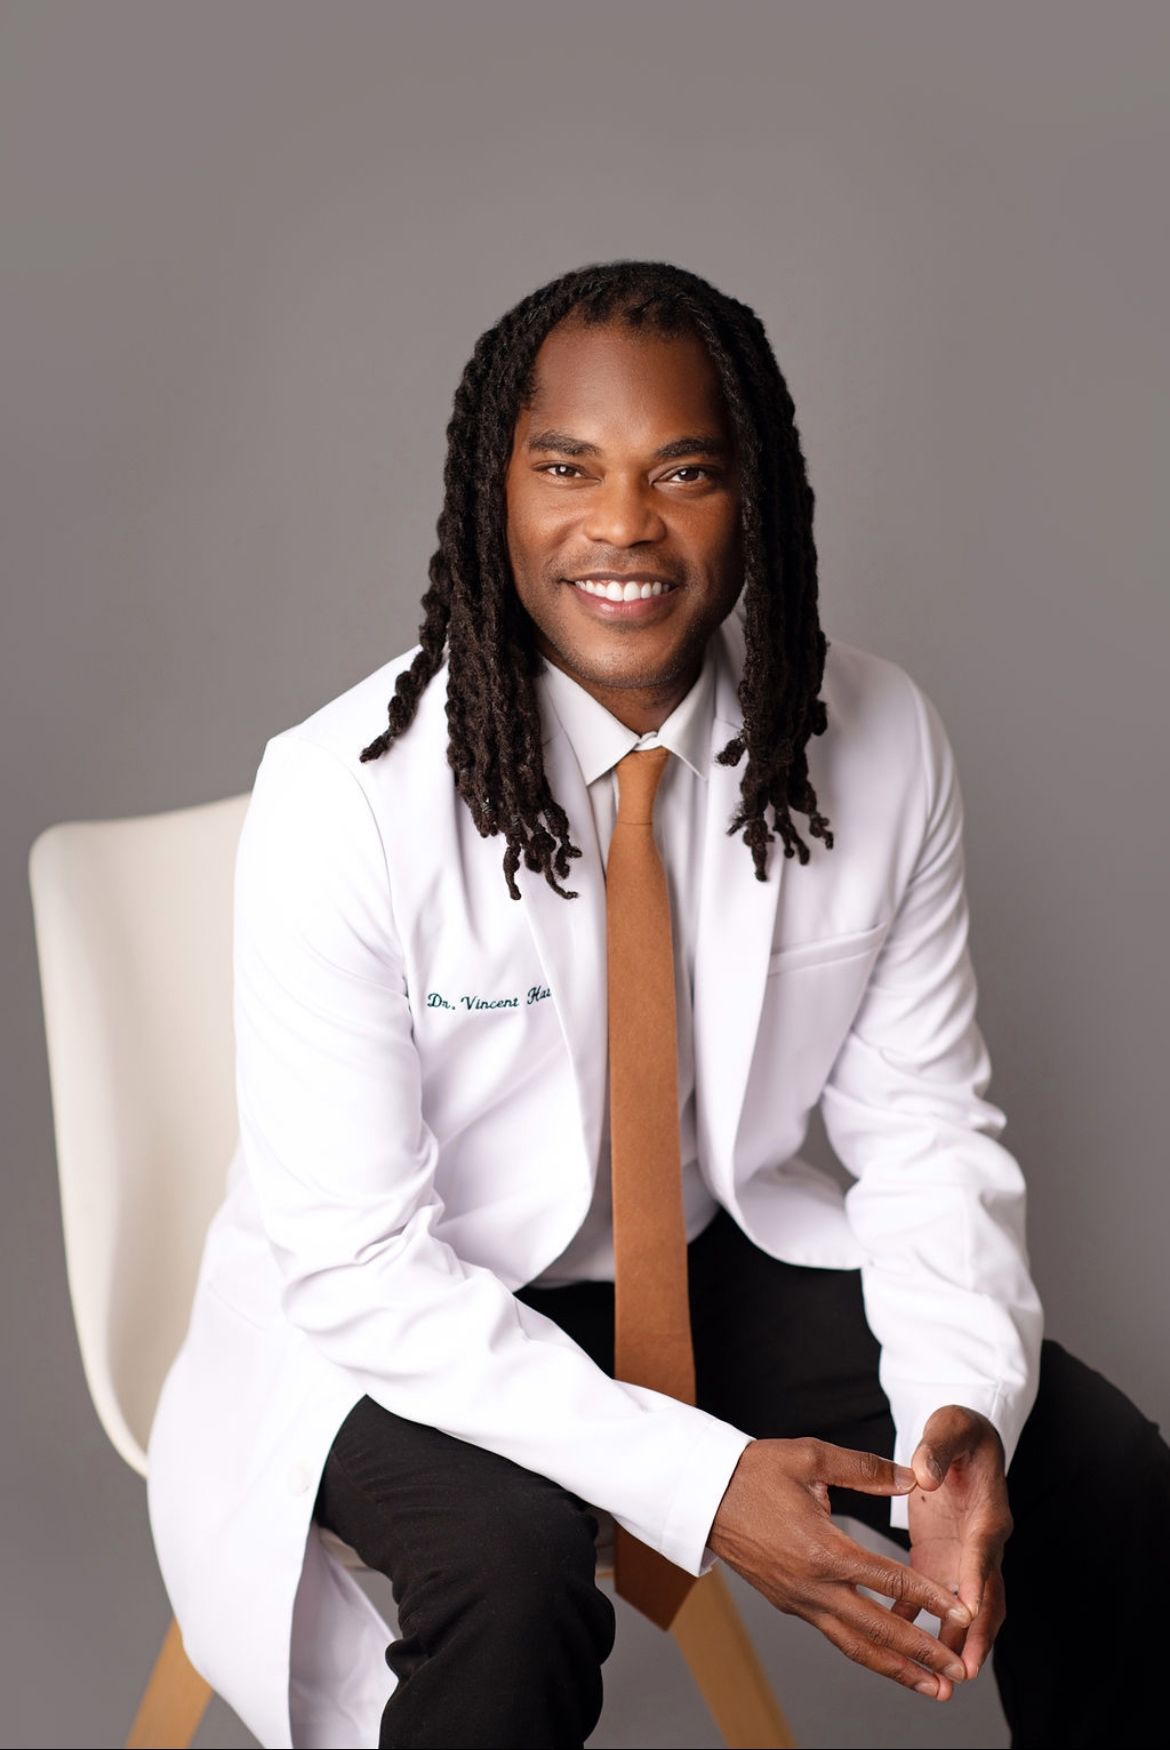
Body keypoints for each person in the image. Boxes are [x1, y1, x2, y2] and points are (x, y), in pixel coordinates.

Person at [147, 260, 1169, 1750]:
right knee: (507, 1580)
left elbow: (926, 1127)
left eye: (681, 470)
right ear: (490, 494)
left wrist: (958, 1416)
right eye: (567, 468)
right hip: (412, 1301)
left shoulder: (874, 745)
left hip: (696, 1253)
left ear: (755, 495)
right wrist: (694, 1483)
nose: (622, 525)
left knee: (1097, 1478)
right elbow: (358, 1259)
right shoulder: (344, 796)